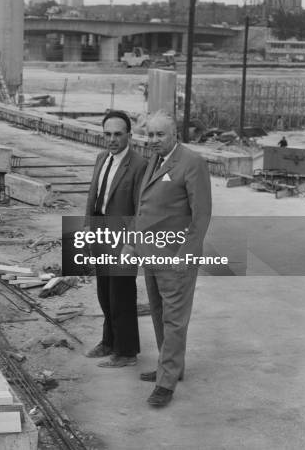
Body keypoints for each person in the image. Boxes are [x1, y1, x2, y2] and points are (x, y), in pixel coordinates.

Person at [130, 111, 211, 407]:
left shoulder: (192, 163)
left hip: (176, 257)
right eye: (149, 134)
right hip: (151, 253)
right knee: (159, 312)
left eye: (159, 134)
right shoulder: (155, 159)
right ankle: (171, 366)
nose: (153, 140)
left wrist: (185, 255)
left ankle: (166, 383)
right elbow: (144, 207)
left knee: (175, 319)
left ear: (174, 134)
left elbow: (201, 215)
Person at [84, 110, 147, 367]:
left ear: (129, 136)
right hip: (101, 234)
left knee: (121, 295)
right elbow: (93, 196)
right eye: (107, 134)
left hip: (122, 241)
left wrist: (131, 244)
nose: (112, 139)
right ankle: (109, 341)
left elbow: (139, 209)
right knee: (104, 293)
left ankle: (127, 351)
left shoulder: (139, 165)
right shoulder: (102, 158)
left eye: (118, 134)